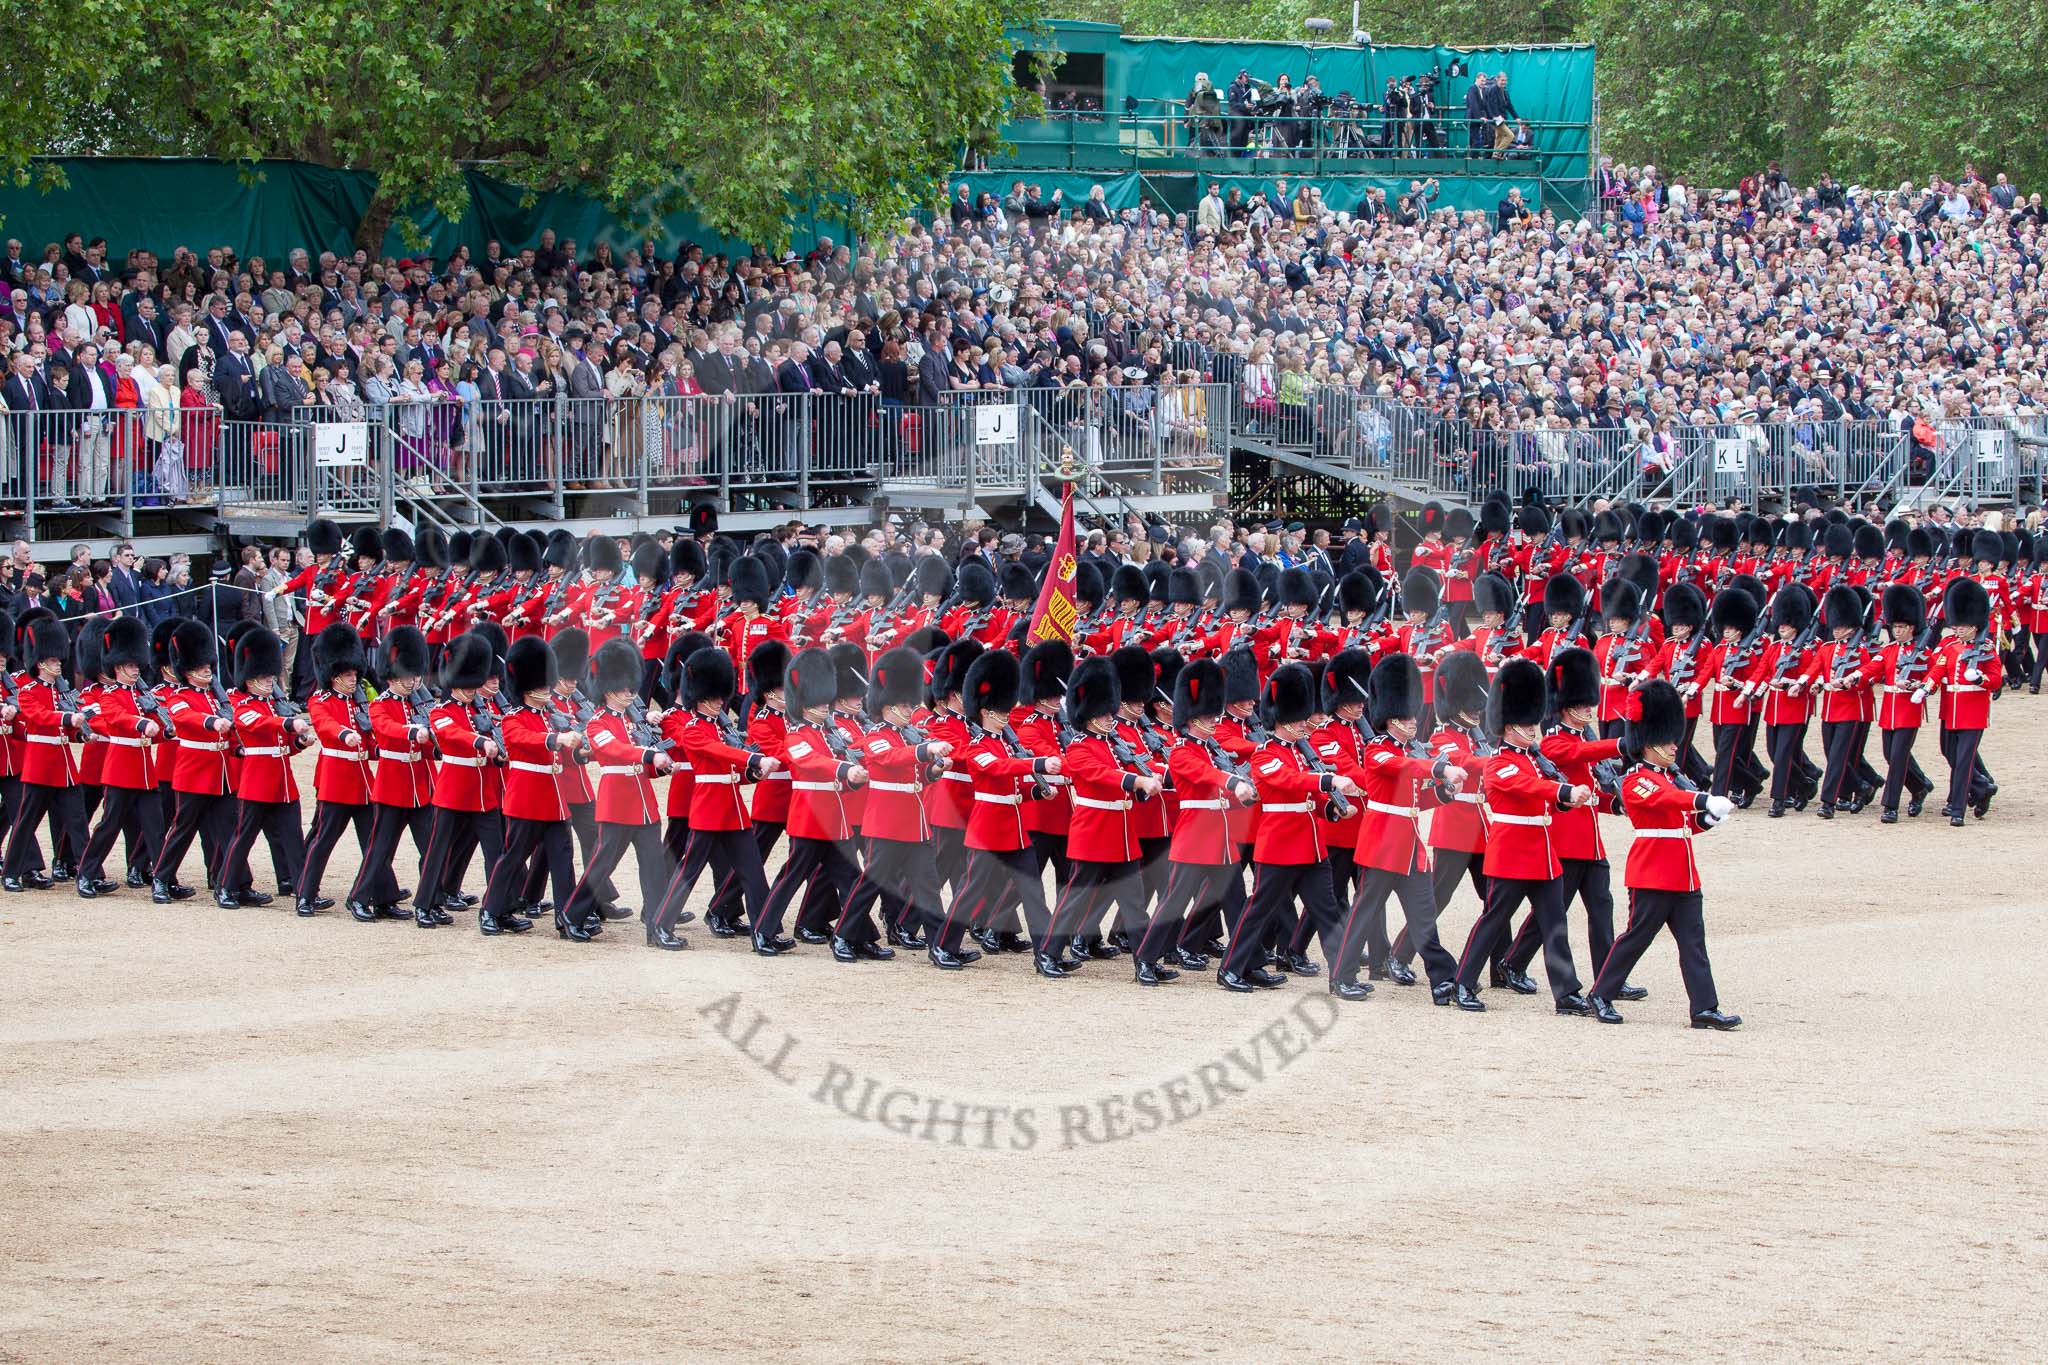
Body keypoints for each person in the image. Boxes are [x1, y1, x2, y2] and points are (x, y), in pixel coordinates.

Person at [1586, 680, 1742, 1029]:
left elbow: (1681, 824)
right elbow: (1664, 801)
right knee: (1636, 938)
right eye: (1666, 740)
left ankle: (1704, 1007)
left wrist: (1707, 820)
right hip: (1653, 872)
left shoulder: (1671, 778)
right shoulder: (1635, 779)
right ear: (1646, 743)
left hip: (1683, 873)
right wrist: (1703, 800)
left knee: (1693, 943)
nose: (1674, 746)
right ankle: (1601, 993)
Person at [1452, 657, 1599, 1015]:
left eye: (1534, 722)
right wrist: (1564, 794)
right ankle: (1463, 983)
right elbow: (1528, 788)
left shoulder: (1534, 759)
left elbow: (1543, 793)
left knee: (1555, 925)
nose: (1533, 729)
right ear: (1506, 726)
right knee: (1493, 921)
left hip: (1543, 855)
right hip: (1512, 854)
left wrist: (1567, 800)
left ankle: (1566, 993)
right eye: (1525, 723)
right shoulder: (1499, 762)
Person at [215, 627, 312, 908]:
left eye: (271, 675)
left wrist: (299, 743)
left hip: (282, 781)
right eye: (263, 676)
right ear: (249, 677)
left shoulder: (272, 704)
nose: (270, 681)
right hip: (257, 781)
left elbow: (281, 744)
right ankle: (225, 887)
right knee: (243, 838)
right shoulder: (240, 703)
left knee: (294, 838)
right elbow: (255, 724)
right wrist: (288, 723)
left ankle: (304, 890)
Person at [1, 614, 96, 892]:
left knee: (78, 821)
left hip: (64, 766)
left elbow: (65, 728)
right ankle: (12, 873)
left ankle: (89, 874)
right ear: (41, 662)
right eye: (54, 661)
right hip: (40, 765)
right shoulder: (28, 691)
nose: (59, 664)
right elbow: (38, 717)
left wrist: (81, 733)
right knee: (25, 821)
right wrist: (68, 720)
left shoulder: (60, 692)